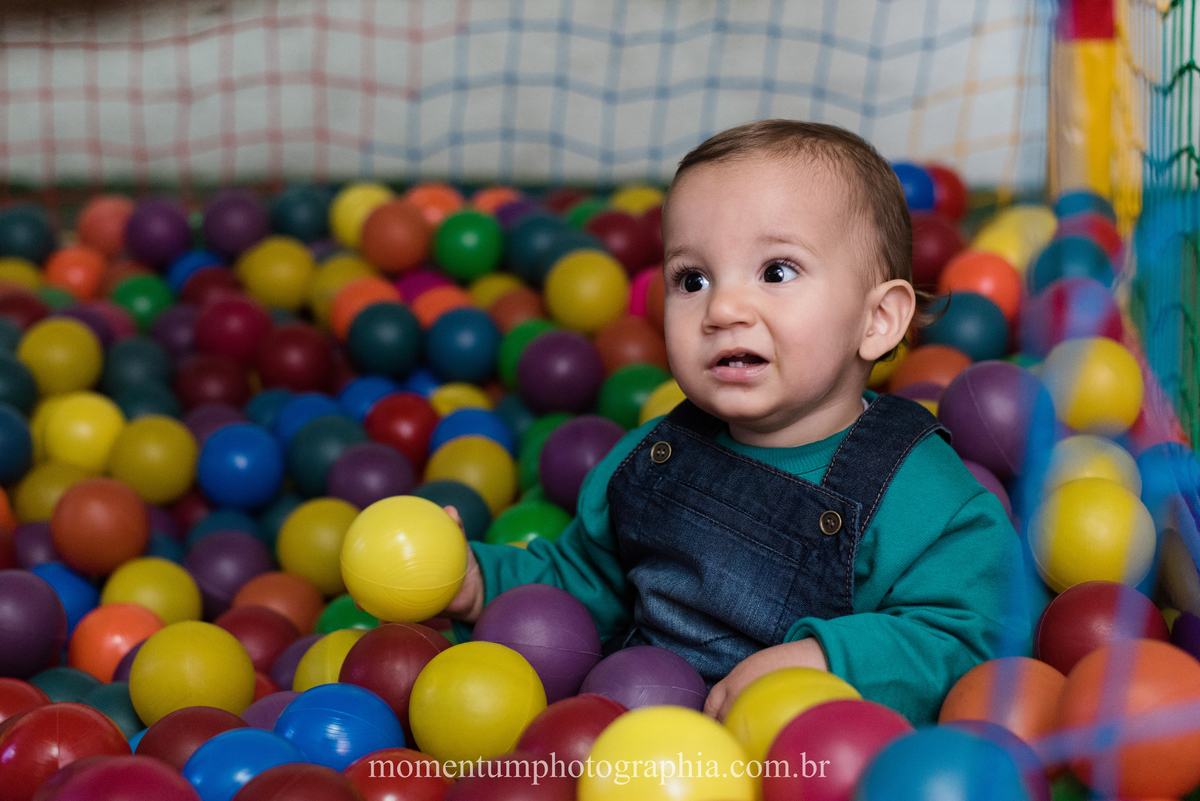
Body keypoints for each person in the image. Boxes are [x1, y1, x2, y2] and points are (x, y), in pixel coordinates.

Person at [439, 119, 1029, 725]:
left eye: (776, 271)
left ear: (876, 320)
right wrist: (479, 581)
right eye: (692, 280)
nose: (722, 308)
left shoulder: (924, 495)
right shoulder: (650, 460)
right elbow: (579, 585)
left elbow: (979, 636)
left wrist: (827, 661)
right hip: (636, 749)